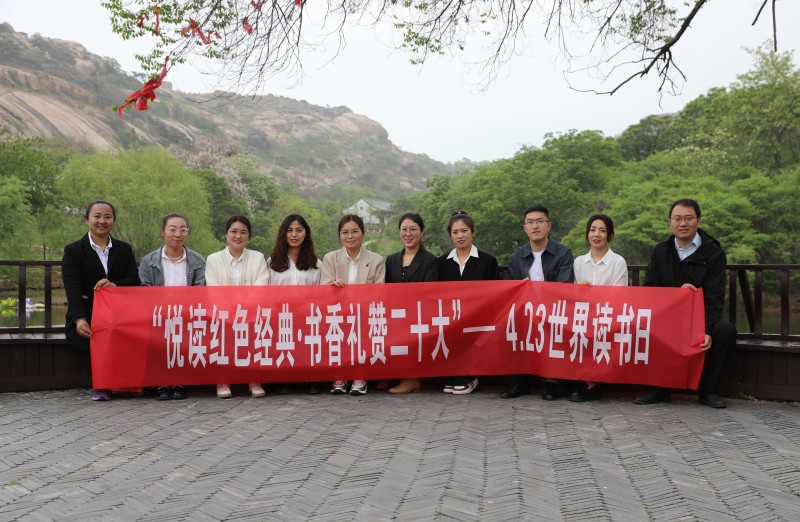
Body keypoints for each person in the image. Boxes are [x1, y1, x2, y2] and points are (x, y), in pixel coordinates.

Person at [634, 199, 737, 408]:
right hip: (667, 316)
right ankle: (658, 388)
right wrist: (677, 295)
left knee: (725, 331)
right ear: (670, 223)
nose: (683, 223)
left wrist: (707, 329)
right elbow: (651, 288)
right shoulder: (660, 251)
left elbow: (715, 296)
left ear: (698, 221)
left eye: (688, 218)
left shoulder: (713, 252)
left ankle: (708, 391)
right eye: (677, 219)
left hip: (699, 319)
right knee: (642, 326)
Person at [62, 200, 140, 401]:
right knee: (101, 333)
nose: (102, 221)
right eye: (97, 216)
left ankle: (130, 382)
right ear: (86, 219)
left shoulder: (124, 249)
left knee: (132, 330)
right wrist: (79, 319)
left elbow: (134, 279)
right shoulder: (73, 250)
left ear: (113, 220)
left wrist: (114, 285)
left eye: (107, 217)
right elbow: (72, 289)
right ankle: (103, 384)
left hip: (120, 313)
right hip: (89, 313)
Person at [501, 205, 574, 400]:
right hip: (524, 312)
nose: (535, 226)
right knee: (511, 324)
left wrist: (535, 294)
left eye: (540, 221)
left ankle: (550, 383)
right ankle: (518, 382)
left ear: (549, 225)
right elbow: (511, 290)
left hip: (553, 311)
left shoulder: (563, 253)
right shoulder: (517, 256)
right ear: (524, 228)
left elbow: (564, 287)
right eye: (530, 222)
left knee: (552, 325)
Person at [139, 213, 206, 401]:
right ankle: (161, 381)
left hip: (187, 315)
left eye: (183, 230)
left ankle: (179, 381)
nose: (178, 234)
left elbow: (200, 291)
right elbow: (145, 291)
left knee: (182, 341)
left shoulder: (198, 261)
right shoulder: (148, 261)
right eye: (173, 229)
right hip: (158, 315)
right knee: (159, 339)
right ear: (163, 231)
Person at [205, 215, 270, 399]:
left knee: (253, 338)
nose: (238, 236)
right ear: (226, 234)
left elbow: (261, 284)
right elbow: (212, 288)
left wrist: (245, 309)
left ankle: (254, 379)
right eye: (233, 231)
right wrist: (229, 311)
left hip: (251, 313)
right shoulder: (213, 259)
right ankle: (223, 380)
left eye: (243, 232)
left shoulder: (258, 258)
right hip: (223, 314)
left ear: (248, 236)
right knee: (221, 338)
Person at [320, 214, 385, 395]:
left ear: (362, 233)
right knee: (337, 335)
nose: (350, 236)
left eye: (354, 231)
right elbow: (323, 288)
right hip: (338, 312)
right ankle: (339, 376)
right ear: (339, 235)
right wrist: (333, 286)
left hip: (364, 313)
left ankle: (359, 376)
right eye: (345, 232)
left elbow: (379, 291)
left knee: (362, 334)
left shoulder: (376, 260)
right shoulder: (330, 258)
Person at [438, 211, 499, 395]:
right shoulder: (442, 262)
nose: (460, 236)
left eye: (464, 231)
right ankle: (453, 372)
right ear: (450, 235)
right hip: (451, 317)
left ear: (473, 232)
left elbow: (494, 293)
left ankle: (470, 375)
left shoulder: (487, 261)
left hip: (478, 318)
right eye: (455, 232)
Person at [569, 214, 628, 402]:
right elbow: (574, 295)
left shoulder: (618, 262)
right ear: (587, 233)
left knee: (594, 330)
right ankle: (584, 381)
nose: (597, 234)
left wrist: (594, 294)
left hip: (608, 315)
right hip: (584, 314)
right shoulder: (579, 262)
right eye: (593, 230)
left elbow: (619, 296)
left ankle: (590, 384)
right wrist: (581, 291)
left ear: (609, 235)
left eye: (602, 230)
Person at [266, 214, 322, 394]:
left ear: (306, 233)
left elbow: (320, 293)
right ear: (283, 233)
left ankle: (309, 379)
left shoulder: (316, 264)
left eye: (299, 230)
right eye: (289, 230)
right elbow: (266, 292)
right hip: (280, 318)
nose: (294, 234)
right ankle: (284, 379)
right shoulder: (272, 262)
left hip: (307, 317)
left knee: (307, 347)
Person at [384, 213, 440, 394]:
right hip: (395, 313)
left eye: (413, 229)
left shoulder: (431, 260)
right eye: (404, 229)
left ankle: (412, 379)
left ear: (422, 232)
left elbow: (431, 293)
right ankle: (389, 375)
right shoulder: (391, 259)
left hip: (418, 315)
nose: (408, 234)